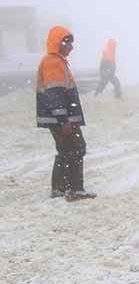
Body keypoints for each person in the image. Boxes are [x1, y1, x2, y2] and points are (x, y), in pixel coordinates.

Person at [36, 26, 95, 201]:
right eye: (68, 42)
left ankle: (60, 188)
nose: (71, 47)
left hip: (60, 118)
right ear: (58, 43)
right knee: (76, 148)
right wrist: (63, 120)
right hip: (61, 119)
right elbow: (55, 94)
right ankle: (74, 190)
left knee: (66, 150)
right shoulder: (53, 62)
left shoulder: (57, 61)